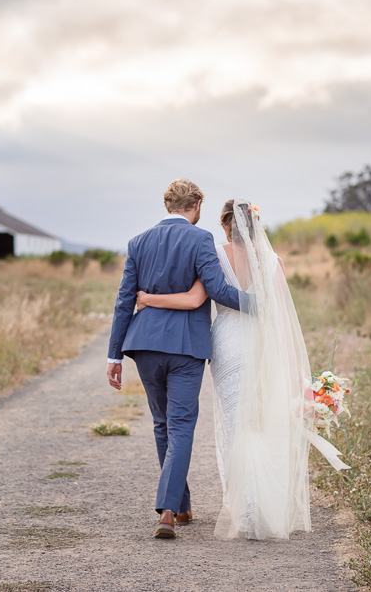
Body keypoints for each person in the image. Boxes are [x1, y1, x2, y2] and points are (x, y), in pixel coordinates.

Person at [137, 199, 349, 540]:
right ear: (258, 228)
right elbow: (279, 317)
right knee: (261, 422)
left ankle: (246, 506)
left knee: (237, 424)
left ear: (225, 227)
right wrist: (294, 366)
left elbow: (193, 299)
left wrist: (148, 299)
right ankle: (262, 505)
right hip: (261, 344)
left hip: (227, 344)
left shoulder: (215, 254)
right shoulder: (272, 261)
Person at [106, 180, 247, 540]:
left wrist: (114, 355)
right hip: (186, 346)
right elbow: (216, 291)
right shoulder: (200, 240)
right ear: (197, 204)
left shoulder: (138, 242)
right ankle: (167, 511)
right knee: (180, 425)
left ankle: (181, 507)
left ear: (168, 204)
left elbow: (125, 300)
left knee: (162, 424)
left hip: (144, 344)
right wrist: (260, 305)